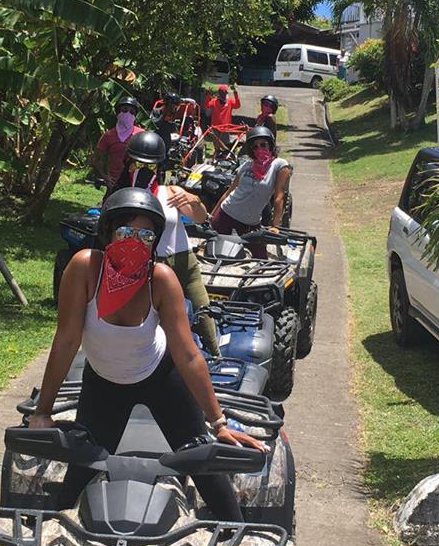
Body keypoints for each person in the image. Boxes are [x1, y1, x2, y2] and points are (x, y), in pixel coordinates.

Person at [29, 188, 264, 520]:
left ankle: (235, 537)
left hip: (160, 378)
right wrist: (43, 411)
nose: (135, 242)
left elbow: (188, 354)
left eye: (145, 235)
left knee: (205, 469)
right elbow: (66, 340)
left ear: (155, 241)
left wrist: (218, 423)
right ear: (108, 232)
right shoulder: (85, 269)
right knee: (76, 478)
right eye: (126, 232)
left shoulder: (160, 279)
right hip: (105, 383)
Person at [108, 131, 220, 355]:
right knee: (151, 322)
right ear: (129, 164)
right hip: (145, 268)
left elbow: (201, 218)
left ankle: (215, 358)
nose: (143, 170)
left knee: (204, 315)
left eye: (150, 166)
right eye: (138, 164)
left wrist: (194, 200)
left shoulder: (171, 193)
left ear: (158, 168)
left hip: (183, 264)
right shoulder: (122, 198)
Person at [210, 126, 291, 260]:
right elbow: (228, 192)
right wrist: (211, 216)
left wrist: (275, 226)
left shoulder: (279, 165)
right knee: (217, 256)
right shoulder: (246, 166)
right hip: (226, 214)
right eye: (255, 147)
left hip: (250, 222)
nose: (259, 149)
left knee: (261, 259)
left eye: (263, 144)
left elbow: (279, 197)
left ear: (270, 145)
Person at [90, 97, 144, 187]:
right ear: (118, 112)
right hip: (114, 183)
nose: (128, 114)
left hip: (134, 183)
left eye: (132, 112)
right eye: (124, 110)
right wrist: (105, 176)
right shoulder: (108, 136)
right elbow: (97, 158)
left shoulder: (141, 135)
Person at [205, 84, 241, 149]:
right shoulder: (214, 101)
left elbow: (237, 105)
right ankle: (217, 153)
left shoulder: (229, 101)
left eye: (224, 93)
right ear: (219, 93)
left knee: (226, 146)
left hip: (225, 128)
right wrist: (208, 95)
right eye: (222, 93)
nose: (223, 95)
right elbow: (207, 105)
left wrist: (235, 93)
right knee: (217, 146)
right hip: (215, 127)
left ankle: (225, 153)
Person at [150, 92, 181, 158]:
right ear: (168, 104)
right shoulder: (156, 111)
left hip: (165, 146)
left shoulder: (172, 115)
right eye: (174, 105)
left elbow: (173, 130)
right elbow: (153, 124)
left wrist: (171, 121)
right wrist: (163, 117)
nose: (175, 108)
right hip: (155, 143)